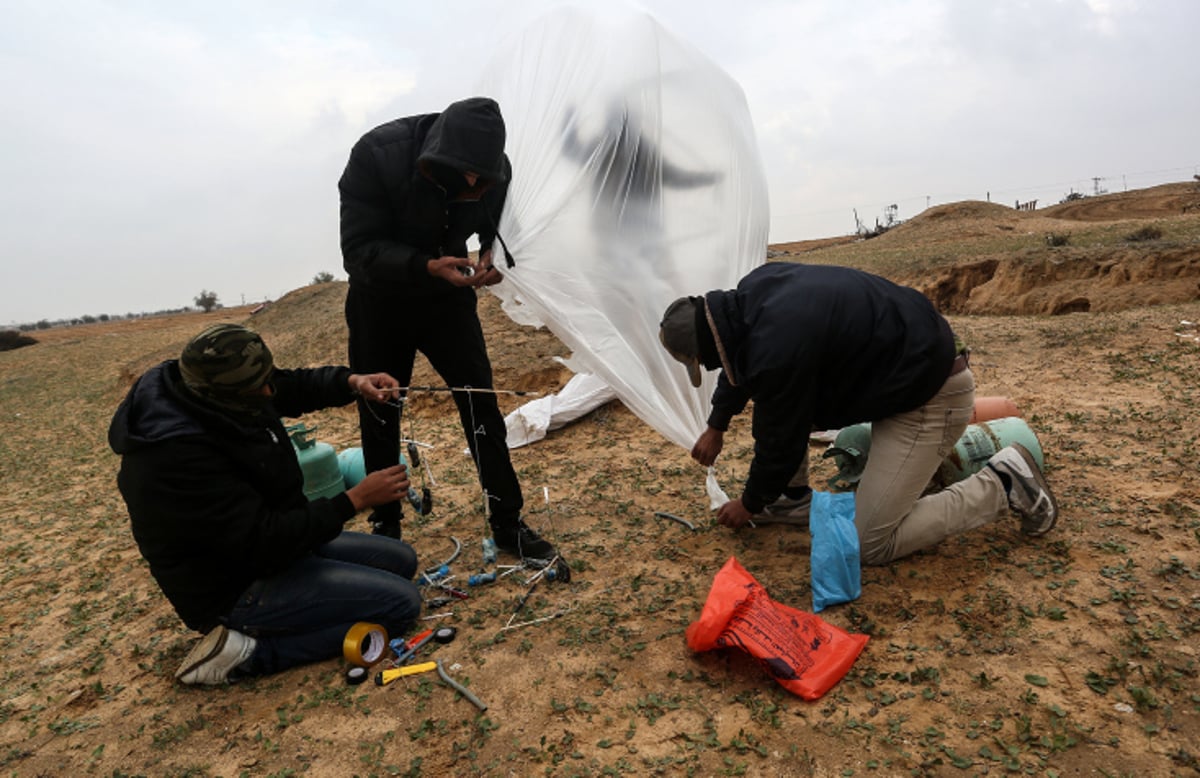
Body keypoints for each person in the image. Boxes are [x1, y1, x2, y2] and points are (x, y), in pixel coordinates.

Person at [658, 262, 1058, 565]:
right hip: (903, 375)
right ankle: (791, 499)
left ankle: (1003, 484)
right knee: (780, 399)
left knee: (870, 542)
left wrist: (749, 503)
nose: (709, 370)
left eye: (702, 363)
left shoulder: (775, 350)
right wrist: (717, 425)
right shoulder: (754, 294)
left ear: (707, 347)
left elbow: (780, 436)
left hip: (930, 399)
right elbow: (739, 366)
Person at [108, 323, 423, 685]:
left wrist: (351, 383)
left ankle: (300, 606)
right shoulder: (177, 460)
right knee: (400, 605)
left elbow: (285, 386)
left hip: (277, 548)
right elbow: (263, 541)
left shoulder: (217, 386)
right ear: (220, 397)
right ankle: (246, 654)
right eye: (260, 388)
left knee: (402, 561)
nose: (270, 391)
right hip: (233, 584)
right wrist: (355, 499)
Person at [338, 96, 557, 562]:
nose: (475, 184)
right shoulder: (376, 156)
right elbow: (357, 250)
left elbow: (498, 228)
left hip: (447, 302)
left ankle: (506, 522)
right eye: (465, 179)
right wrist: (423, 265)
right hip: (380, 301)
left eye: (483, 178)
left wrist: (493, 259)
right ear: (434, 157)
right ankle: (386, 526)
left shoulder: (493, 169)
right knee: (381, 411)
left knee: (481, 403)